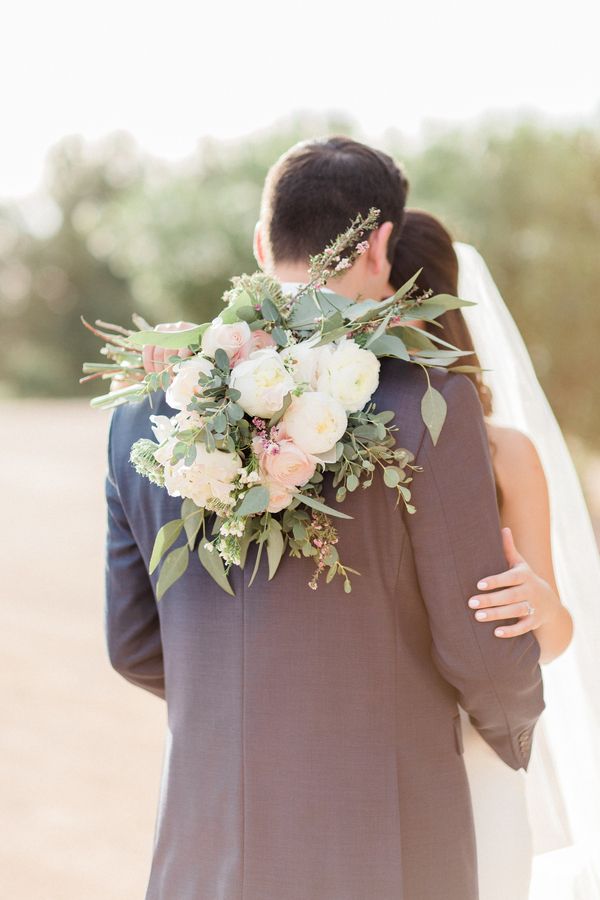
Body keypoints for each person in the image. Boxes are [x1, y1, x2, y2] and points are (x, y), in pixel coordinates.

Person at [104, 137, 545, 900]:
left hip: (205, 845)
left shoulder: (149, 412)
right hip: (387, 848)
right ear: (381, 245)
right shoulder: (426, 405)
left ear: (259, 241)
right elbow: (481, 649)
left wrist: (250, 709)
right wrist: (516, 723)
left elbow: (134, 644)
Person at [388, 209, 600, 899]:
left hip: (478, 753)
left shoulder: (506, 451)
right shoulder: (332, 441)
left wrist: (537, 601)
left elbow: (558, 634)